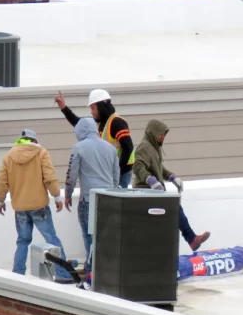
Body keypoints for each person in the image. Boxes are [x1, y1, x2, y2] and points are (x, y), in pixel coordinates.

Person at [0, 128, 74, 282]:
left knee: (23, 241)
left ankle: (18, 274)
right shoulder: (41, 153)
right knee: (51, 238)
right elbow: (49, 177)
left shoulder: (9, 156)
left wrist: (0, 200)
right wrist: (57, 196)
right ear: (34, 141)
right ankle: (63, 274)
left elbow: (1, 181)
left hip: (20, 208)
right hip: (39, 206)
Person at [132, 119, 210, 252]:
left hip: (155, 192)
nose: (162, 137)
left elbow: (159, 168)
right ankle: (191, 239)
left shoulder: (154, 148)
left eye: (164, 134)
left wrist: (172, 177)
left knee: (173, 212)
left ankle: (188, 240)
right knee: (174, 208)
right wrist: (150, 180)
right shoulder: (144, 147)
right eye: (160, 134)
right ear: (153, 133)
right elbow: (138, 166)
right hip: (145, 191)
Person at [65, 117, 118, 276]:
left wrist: (68, 194)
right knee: (105, 236)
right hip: (109, 199)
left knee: (89, 235)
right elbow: (116, 175)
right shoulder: (111, 148)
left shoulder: (79, 147)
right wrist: (113, 192)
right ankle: (104, 270)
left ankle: (91, 270)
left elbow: (71, 175)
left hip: (88, 199)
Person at [55, 89, 134, 189]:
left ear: (101, 107)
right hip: (109, 173)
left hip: (120, 174)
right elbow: (80, 124)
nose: (91, 112)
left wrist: (116, 173)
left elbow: (128, 148)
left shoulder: (116, 122)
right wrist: (63, 108)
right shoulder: (100, 123)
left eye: (93, 108)